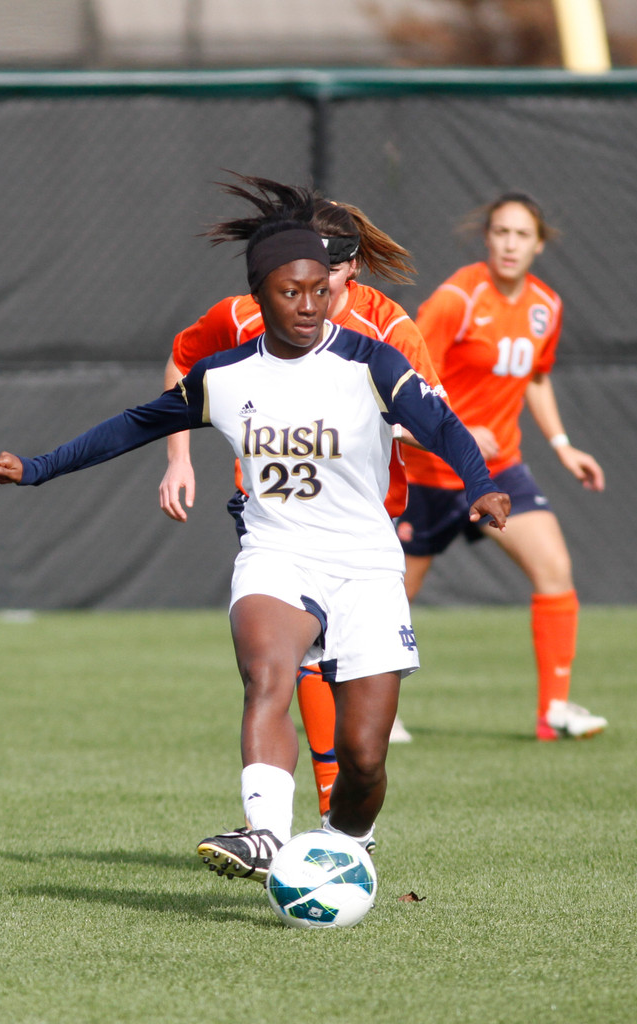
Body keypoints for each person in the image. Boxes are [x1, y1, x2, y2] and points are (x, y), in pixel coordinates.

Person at [0, 179, 510, 885]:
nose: (308, 304)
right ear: (257, 296)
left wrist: (480, 487)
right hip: (276, 551)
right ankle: (265, 833)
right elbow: (134, 424)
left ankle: (342, 841)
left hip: (365, 561)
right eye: (290, 291)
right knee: (268, 677)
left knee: (364, 758)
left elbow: (442, 426)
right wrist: (39, 467)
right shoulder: (224, 374)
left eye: (318, 290)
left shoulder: (373, 358)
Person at [158, 176, 446, 821]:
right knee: (285, 664)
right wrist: (178, 456)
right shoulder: (247, 313)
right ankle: (286, 825)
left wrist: (413, 426)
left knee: (357, 725)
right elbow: (182, 361)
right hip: (275, 523)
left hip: (364, 526)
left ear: (350, 267)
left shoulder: (387, 327)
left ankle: (344, 824)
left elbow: (433, 420)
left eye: (336, 267)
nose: (322, 284)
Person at [397, 191, 607, 741]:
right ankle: (373, 709)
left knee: (555, 570)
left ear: (539, 244)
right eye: (501, 233)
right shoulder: (457, 300)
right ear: (487, 238)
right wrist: (460, 429)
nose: (510, 244)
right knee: (390, 597)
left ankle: (553, 712)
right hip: (430, 474)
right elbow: (410, 382)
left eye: (521, 235)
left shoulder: (546, 306)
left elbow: (535, 375)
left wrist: (562, 443)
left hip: (501, 469)